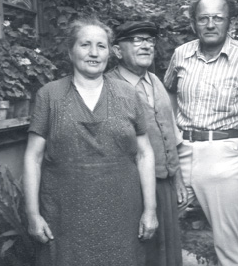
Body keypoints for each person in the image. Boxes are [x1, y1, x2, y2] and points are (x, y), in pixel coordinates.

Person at [23, 17, 158, 266]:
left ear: (110, 52)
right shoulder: (49, 96)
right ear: (71, 51)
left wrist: (150, 210)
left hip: (123, 214)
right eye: (85, 45)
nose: (94, 53)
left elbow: (144, 153)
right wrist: (32, 214)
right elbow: (34, 157)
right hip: (64, 217)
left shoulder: (128, 94)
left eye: (101, 46)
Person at [164, 0, 238, 266]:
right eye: (203, 18)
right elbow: (168, 91)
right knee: (156, 223)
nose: (210, 24)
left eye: (218, 18)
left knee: (226, 244)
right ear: (194, 23)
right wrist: (172, 129)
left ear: (229, 22)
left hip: (224, 156)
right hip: (180, 152)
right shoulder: (181, 54)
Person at [107, 21, 188, 266]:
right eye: (136, 40)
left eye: (149, 40)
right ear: (118, 51)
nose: (145, 46)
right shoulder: (108, 87)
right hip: (129, 187)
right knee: (137, 252)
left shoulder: (156, 81)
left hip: (163, 184)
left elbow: (170, 133)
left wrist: (178, 178)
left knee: (166, 251)